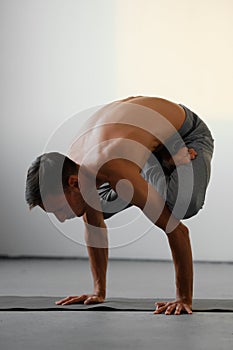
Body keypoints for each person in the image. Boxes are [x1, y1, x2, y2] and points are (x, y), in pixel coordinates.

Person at [25, 96, 214, 315]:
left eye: (59, 210)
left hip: (184, 134)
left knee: (182, 204)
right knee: (94, 206)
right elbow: (93, 227)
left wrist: (183, 298)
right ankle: (154, 160)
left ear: (73, 183)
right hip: (137, 142)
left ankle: (158, 162)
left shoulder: (111, 165)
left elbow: (177, 230)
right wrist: (98, 292)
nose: (60, 218)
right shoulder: (75, 167)